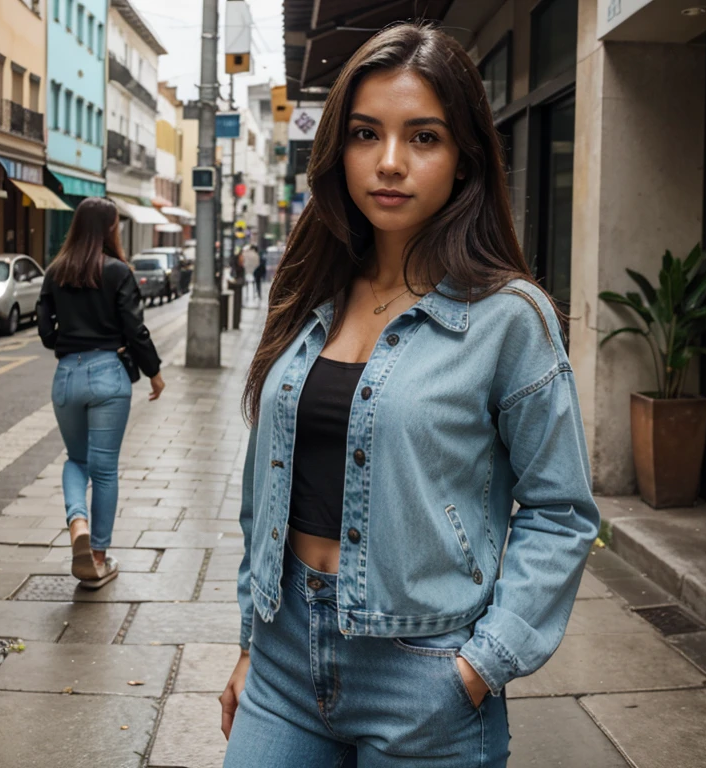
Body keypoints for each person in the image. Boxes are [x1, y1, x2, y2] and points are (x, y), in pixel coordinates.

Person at [220, 23, 600, 767]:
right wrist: (250, 640)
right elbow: (262, 487)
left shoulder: (507, 318)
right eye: (366, 134)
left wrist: (481, 664)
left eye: (423, 137)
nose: (389, 163)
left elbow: (562, 511)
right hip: (283, 656)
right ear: (338, 149)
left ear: (463, 160)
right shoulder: (309, 294)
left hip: (425, 671)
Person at [37, 198, 165, 589]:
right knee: (105, 469)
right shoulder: (117, 271)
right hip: (108, 374)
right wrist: (154, 372)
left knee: (76, 460)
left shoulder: (56, 271)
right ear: (110, 229)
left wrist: (69, 341)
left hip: (66, 376)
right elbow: (134, 327)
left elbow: (45, 331)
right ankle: (96, 557)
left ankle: (78, 522)